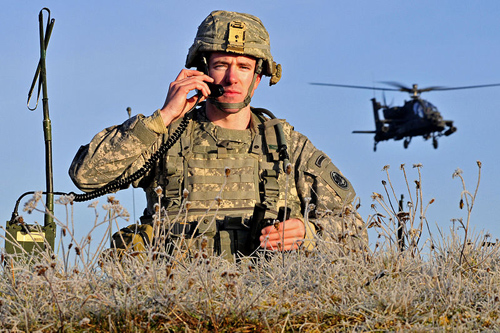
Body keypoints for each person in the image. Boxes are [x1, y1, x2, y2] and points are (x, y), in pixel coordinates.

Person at [69, 10, 367, 261]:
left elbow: (355, 233)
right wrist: (163, 117)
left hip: (266, 303)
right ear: (202, 70)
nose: (232, 77)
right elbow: (86, 176)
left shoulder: (287, 146)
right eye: (221, 64)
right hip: (173, 301)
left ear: (258, 77)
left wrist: (307, 233)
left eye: (244, 67)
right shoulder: (167, 135)